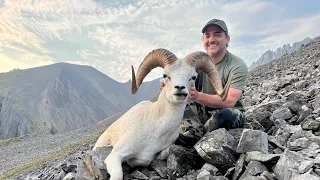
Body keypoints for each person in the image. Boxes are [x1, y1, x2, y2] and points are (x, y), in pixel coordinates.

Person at [188, 19, 248, 133]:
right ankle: (187, 131)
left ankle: (196, 136)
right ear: (203, 40)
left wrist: (197, 96)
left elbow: (230, 101)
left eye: (217, 34)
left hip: (227, 113)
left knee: (224, 115)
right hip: (201, 113)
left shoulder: (237, 65)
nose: (211, 40)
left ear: (227, 39)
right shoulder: (196, 64)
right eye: (207, 36)